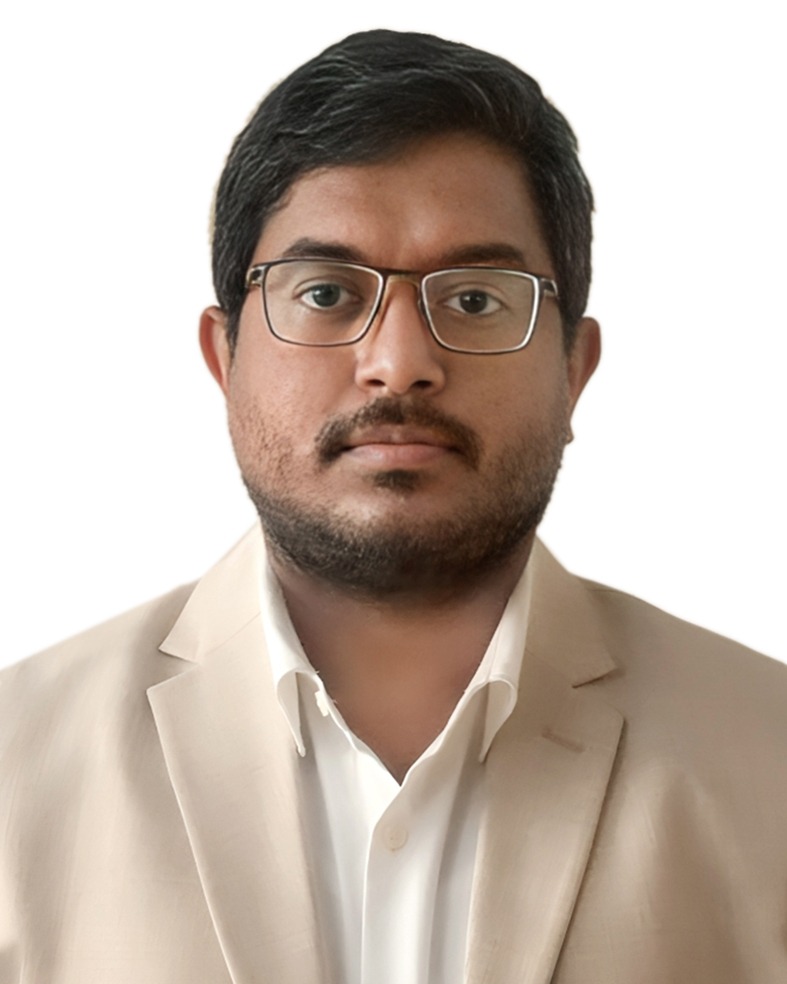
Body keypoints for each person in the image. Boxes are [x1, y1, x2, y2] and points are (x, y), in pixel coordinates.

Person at [1, 29, 785, 984]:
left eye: (476, 300)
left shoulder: (767, 756)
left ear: (573, 371)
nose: (399, 361)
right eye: (327, 292)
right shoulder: (16, 767)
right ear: (224, 359)